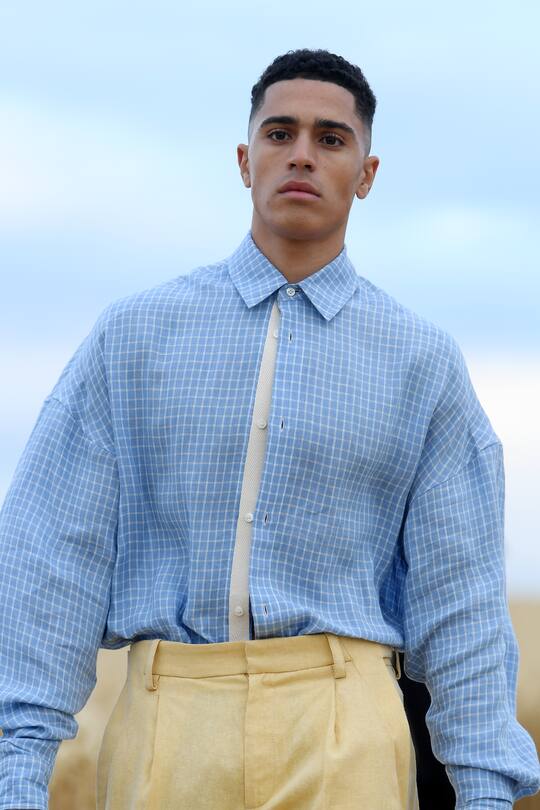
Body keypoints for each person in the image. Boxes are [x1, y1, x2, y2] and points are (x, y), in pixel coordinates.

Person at [0, 47, 539, 810]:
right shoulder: (134, 336)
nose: (302, 156)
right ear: (244, 159)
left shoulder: (422, 361)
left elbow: (462, 599)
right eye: (280, 133)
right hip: (167, 725)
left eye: (331, 138)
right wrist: (15, 769)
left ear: (368, 173)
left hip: (346, 728)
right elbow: (51, 555)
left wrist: (484, 790)